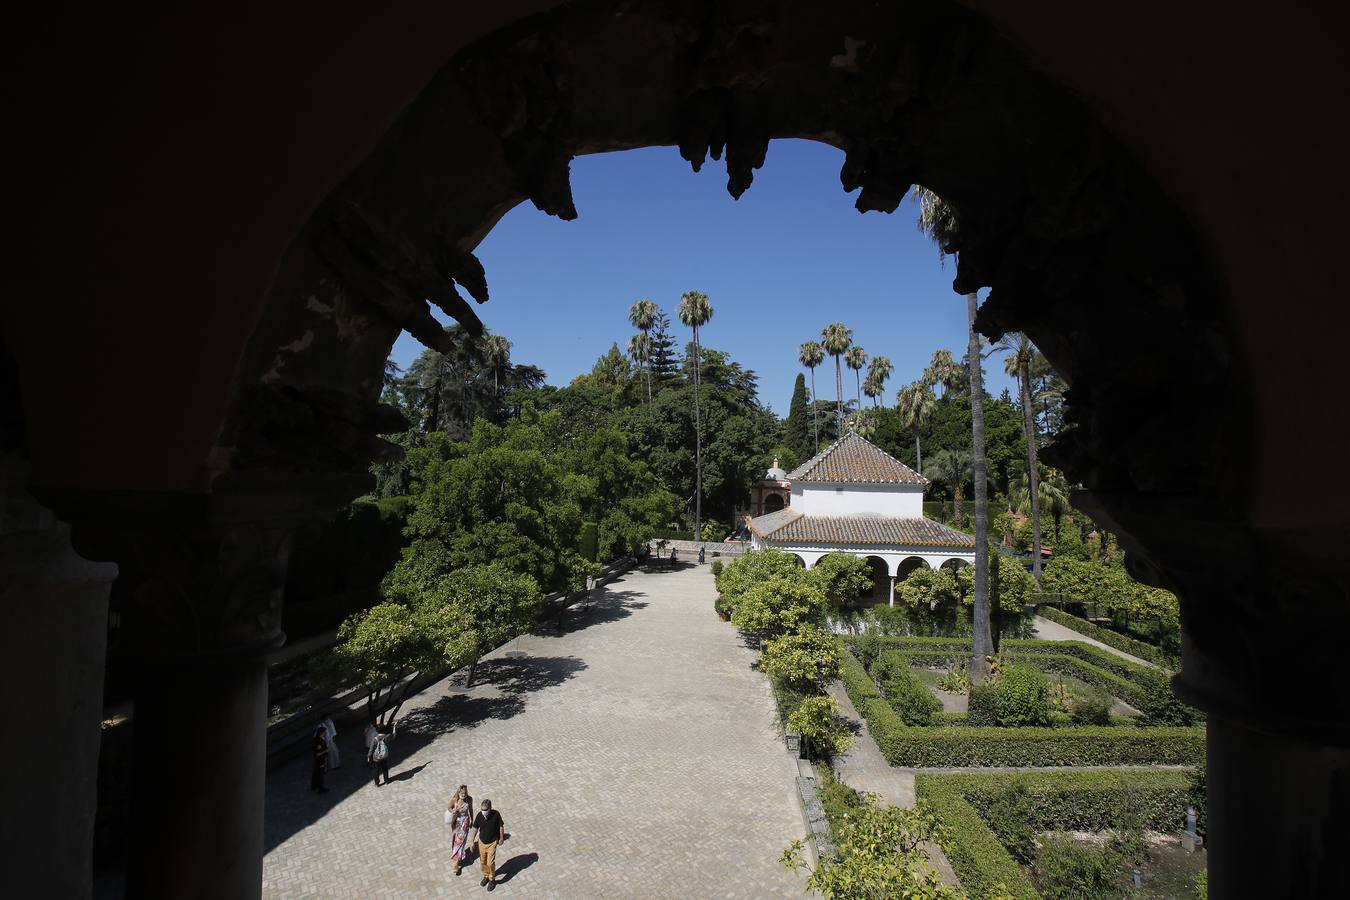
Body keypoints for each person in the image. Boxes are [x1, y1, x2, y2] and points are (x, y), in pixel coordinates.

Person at [470, 798, 505, 890]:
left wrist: (501, 838)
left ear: (490, 808)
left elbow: (501, 826)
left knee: (490, 863)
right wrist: (472, 841)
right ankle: (486, 876)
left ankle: (492, 879)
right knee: (483, 861)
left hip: (492, 843)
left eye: (485, 810)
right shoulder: (479, 815)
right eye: (482, 810)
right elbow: (475, 828)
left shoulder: (496, 815)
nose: (483, 812)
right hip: (481, 842)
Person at [447, 784, 474, 876]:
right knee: (456, 840)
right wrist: (453, 811)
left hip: (465, 822)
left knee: (461, 842)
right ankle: (456, 855)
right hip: (457, 823)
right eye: (462, 793)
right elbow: (449, 807)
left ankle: (456, 863)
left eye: (465, 793)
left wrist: (472, 819)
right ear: (459, 792)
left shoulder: (469, 799)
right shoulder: (455, 800)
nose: (464, 794)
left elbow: (470, 809)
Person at [367, 719, 396, 786]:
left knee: (376, 770)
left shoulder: (375, 739)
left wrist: (369, 757)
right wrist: (394, 727)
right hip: (384, 756)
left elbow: (371, 750)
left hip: (376, 757)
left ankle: (377, 783)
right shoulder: (387, 737)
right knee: (385, 768)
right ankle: (386, 781)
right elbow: (394, 736)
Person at [309, 724, 329, 794]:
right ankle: (321, 789)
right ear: (321, 733)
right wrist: (325, 751)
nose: (325, 733)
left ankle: (314, 786)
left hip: (318, 760)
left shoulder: (317, 739)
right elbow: (317, 754)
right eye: (324, 732)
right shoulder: (319, 741)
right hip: (320, 760)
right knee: (320, 774)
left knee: (316, 773)